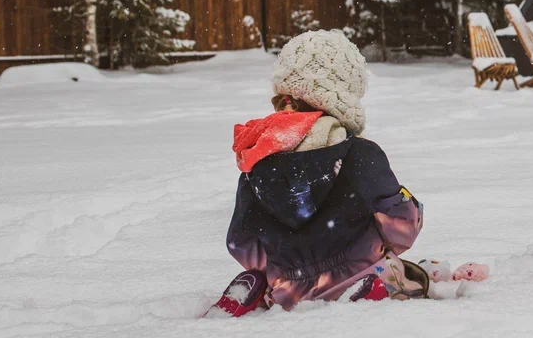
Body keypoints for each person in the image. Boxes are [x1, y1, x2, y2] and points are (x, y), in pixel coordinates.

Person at [206, 30, 483, 318]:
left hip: (289, 292)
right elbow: (400, 227)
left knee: (281, 284)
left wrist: (286, 266)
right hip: (364, 273)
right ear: (343, 94)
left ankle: (257, 292)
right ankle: (365, 287)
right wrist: (410, 211)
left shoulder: (257, 163)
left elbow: (240, 243)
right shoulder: (359, 154)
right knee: (411, 280)